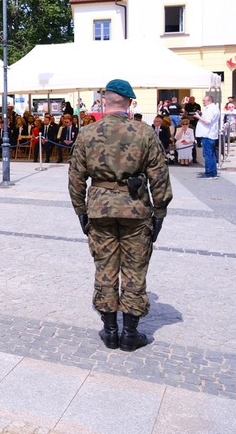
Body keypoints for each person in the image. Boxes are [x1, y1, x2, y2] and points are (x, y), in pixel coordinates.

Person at [68, 79, 172, 352]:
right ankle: (130, 333)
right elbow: (159, 177)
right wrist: (159, 212)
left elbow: (76, 177)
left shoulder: (87, 133)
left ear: (104, 101)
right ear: (129, 102)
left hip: (100, 209)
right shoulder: (144, 133)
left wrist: (81, 210)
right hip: (136, 210)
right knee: (135, 269)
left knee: (105, 267)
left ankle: (110, 329)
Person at [195, 95, 220, 179]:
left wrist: (198, 117)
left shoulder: (210, 109)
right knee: (211, 154)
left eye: (204, 100)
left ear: (209, 100)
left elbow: (207, 121)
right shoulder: (213, 108)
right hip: (210, 133)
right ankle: (213, 172)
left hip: (207, 134)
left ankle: (209, 172)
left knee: (207, 154)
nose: (203, 102)